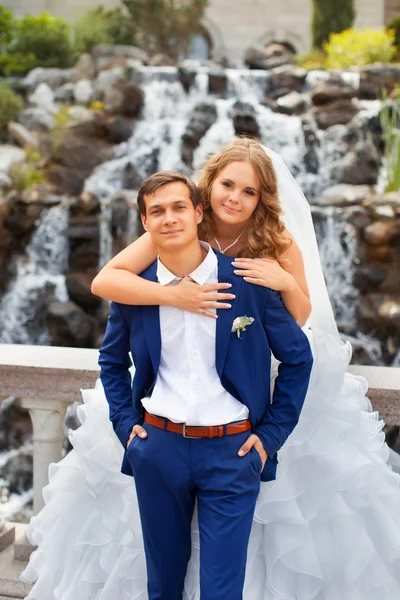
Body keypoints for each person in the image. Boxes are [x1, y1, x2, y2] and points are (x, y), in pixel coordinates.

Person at [21, 139, 400, 599]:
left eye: (249, 192)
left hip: (245, 403)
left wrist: (282, 281)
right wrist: (174, 295)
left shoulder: (274, 241)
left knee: (259, 544)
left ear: (262, 199)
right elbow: (107, 285)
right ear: (207, 189)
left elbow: (298, 327)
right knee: (161, 571)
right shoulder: (173, 222)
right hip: (161, 428)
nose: (235, 198)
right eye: (227, 185)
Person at [98, 169, 313, 599]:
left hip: (232, 453)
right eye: (157, 211)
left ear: (199, 212)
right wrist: (126, 427)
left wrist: (270, 436)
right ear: (145, 223)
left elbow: (298, 357)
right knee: (162, 586)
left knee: (221, 591)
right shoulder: (136, 292)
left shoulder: (248, 282)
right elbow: (111, 359)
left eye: (179, 207)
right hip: (157, 447)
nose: (169, 219)